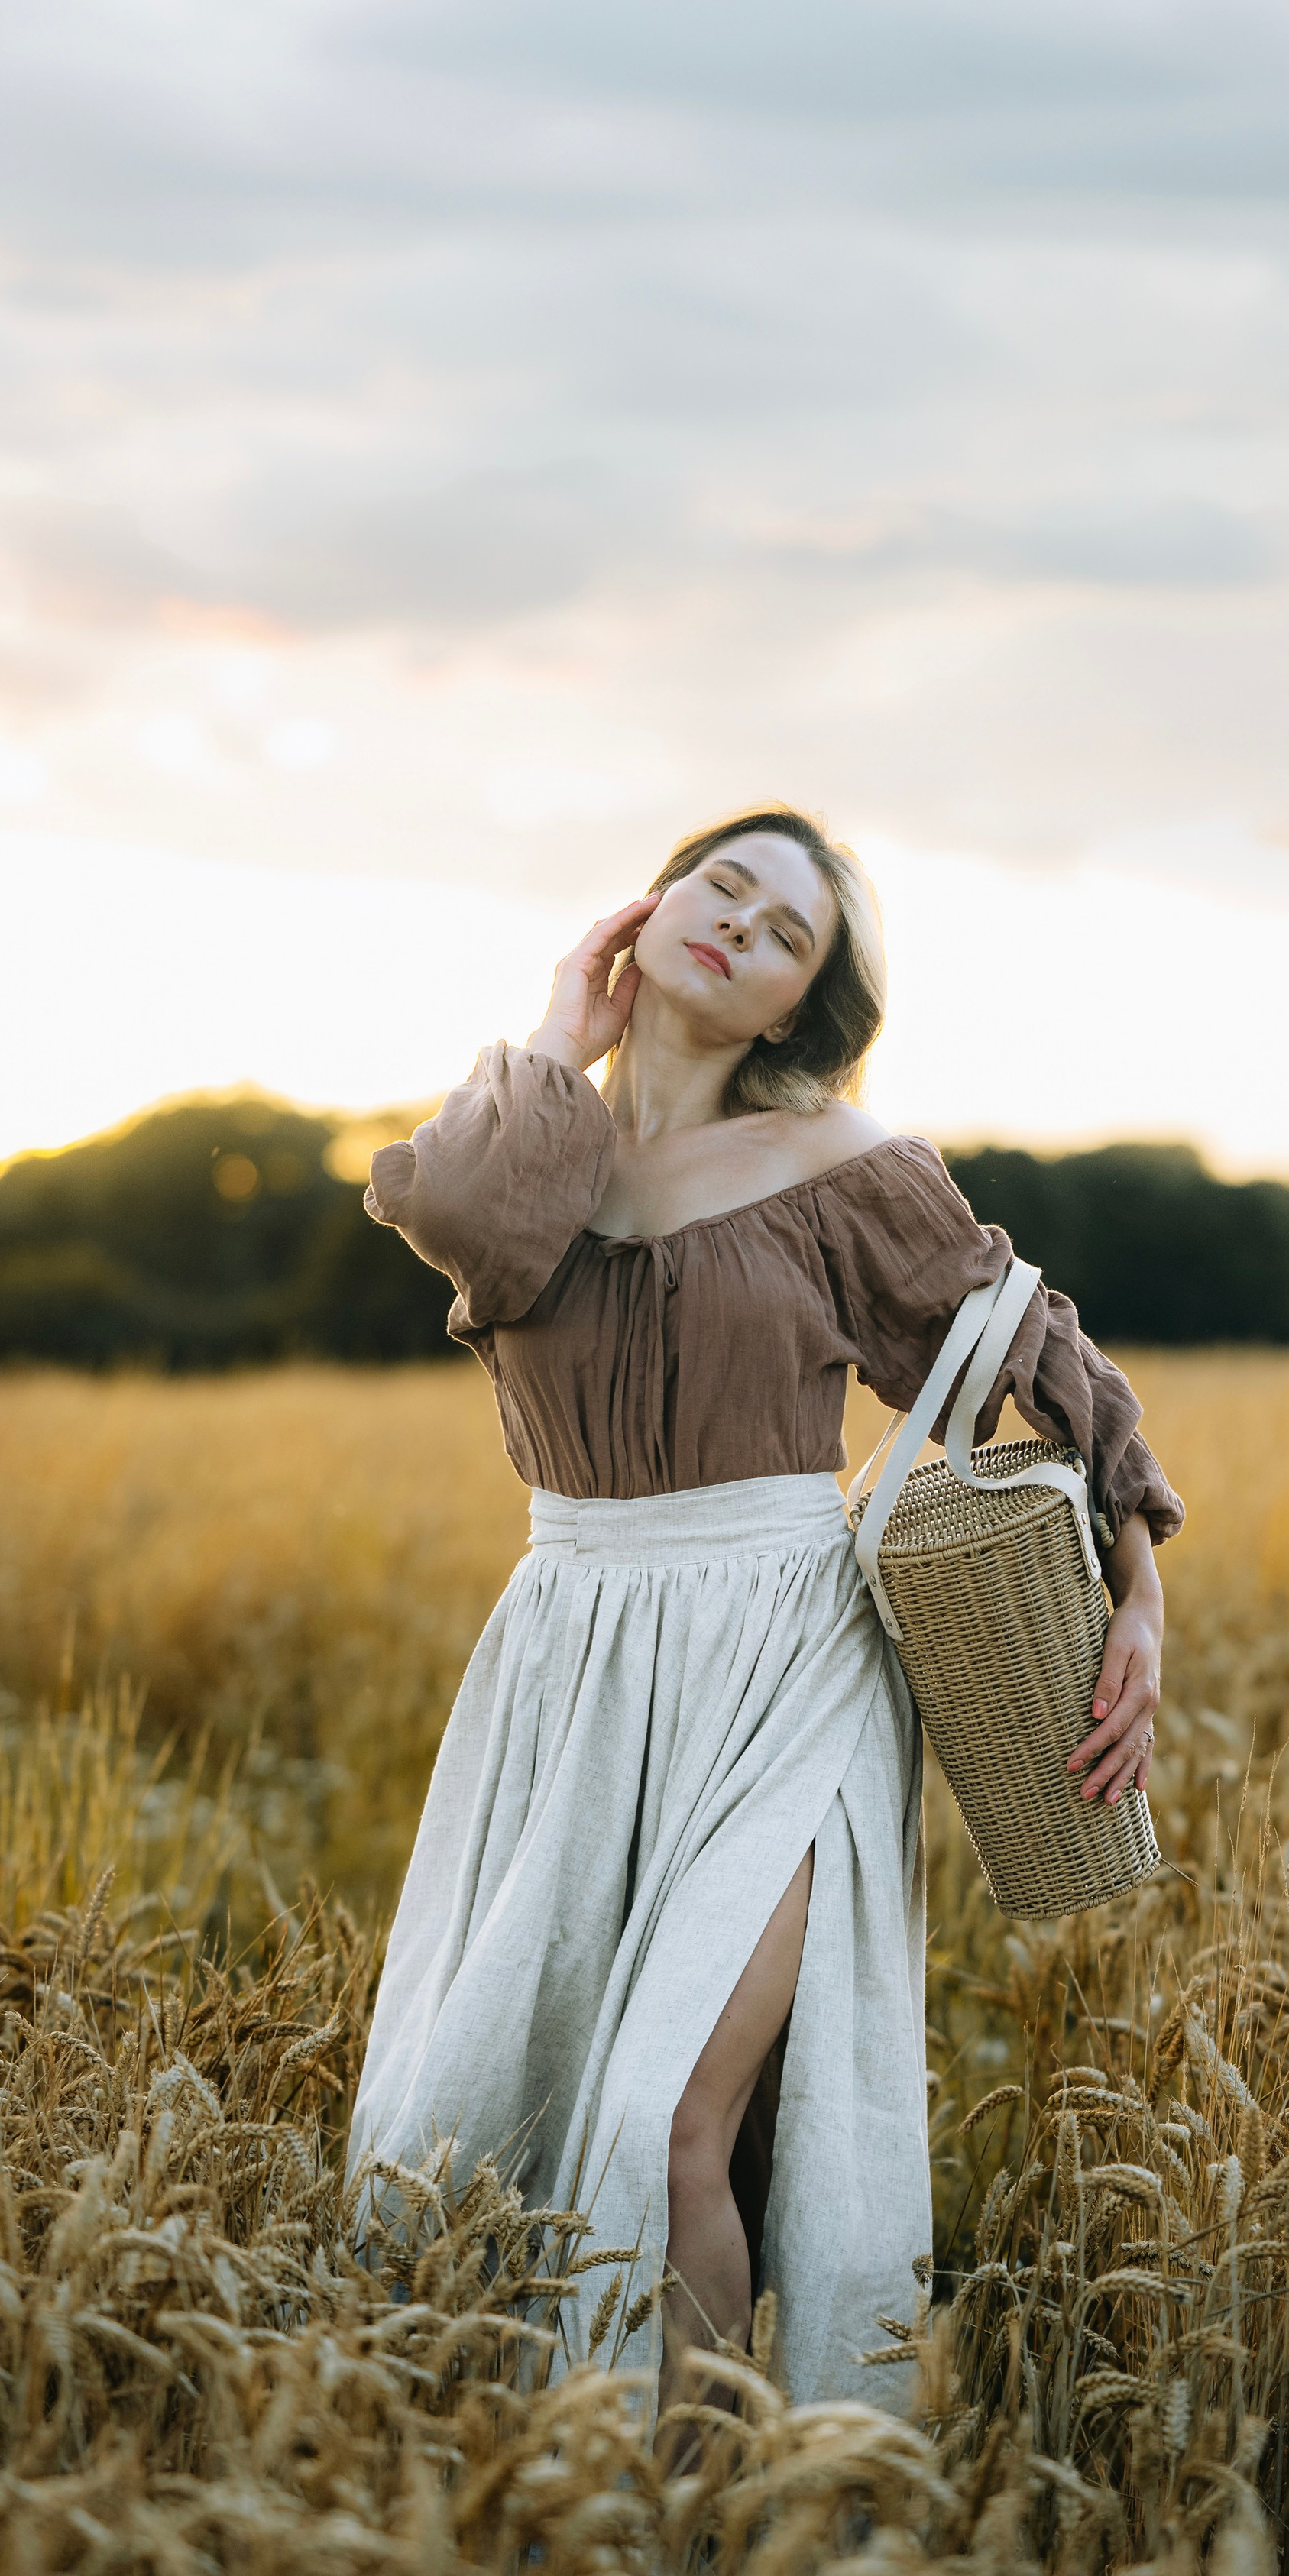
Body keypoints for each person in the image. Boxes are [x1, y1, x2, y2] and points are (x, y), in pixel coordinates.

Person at [348, 806, 1184, 2425]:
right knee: (511, 2114)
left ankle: (726, 2556)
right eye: (719, 885)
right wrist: (557, 1027)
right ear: (650, 906)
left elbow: (1041, 1355)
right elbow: (454, 1217)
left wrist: (1136, 1586)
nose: (736, 922)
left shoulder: (839, 1165)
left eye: (782, 931)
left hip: (788, 1659)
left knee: (668, 2121)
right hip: (571, 1657)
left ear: (799, 1013)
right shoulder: (537, 1156)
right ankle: (572, 2502)